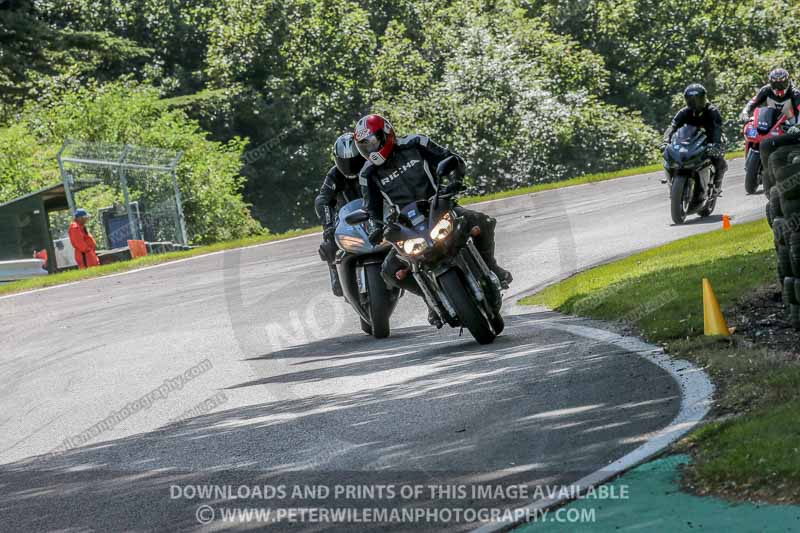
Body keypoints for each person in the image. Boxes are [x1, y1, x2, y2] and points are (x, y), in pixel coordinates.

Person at [353, 114, 512, 325]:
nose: (371, 150)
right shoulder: (368, 173)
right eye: (365, 146)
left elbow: (451, 159)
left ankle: (492, 267)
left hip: (439, 205)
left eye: (372, 142)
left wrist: (455, 180)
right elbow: (371, 207)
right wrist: (373, 227)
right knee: (390, 272)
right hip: (406, 224)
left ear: (386, 133)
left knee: (482, 222)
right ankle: (430, 299)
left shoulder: (415, 143)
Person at [314, 133, 364, 296]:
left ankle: (429, 299)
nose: (350, 166)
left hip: (376, 213)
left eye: (354, 160)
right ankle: (335, 273)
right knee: (328, 243)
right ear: (337, 159)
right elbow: (322, 200)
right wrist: (329, 227)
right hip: (347, 218)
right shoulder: (334, 174)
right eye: (344, 161)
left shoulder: (373, 165)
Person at [662, 83, 727, 192]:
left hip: (709, 141)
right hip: (689, 142)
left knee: (719, 161)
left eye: (697, 99)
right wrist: (665, 141)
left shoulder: (712, 111)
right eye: (691, 99)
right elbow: (672, 127)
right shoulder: (684, 112)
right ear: (686, 100)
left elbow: (717, 128)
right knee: (669, 156)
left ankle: (716, 185)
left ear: (704, 98)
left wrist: (716, 144)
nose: (695, 102)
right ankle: (672, 180)